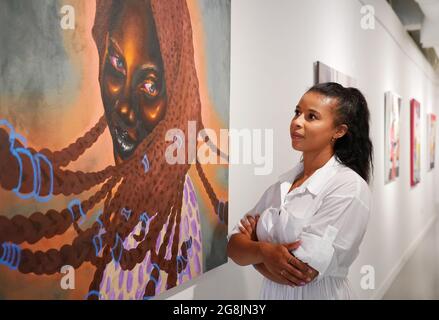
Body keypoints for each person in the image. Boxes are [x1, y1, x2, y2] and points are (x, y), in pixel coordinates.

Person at [227, 82, 373, 300]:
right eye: (297, 112)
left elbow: (303, 273)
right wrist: (264, 252)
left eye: (311, 117)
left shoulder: (349, 187)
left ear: (339, 131)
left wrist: (256, 249)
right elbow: (233, 246)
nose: (296, 122)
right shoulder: (282, 185)